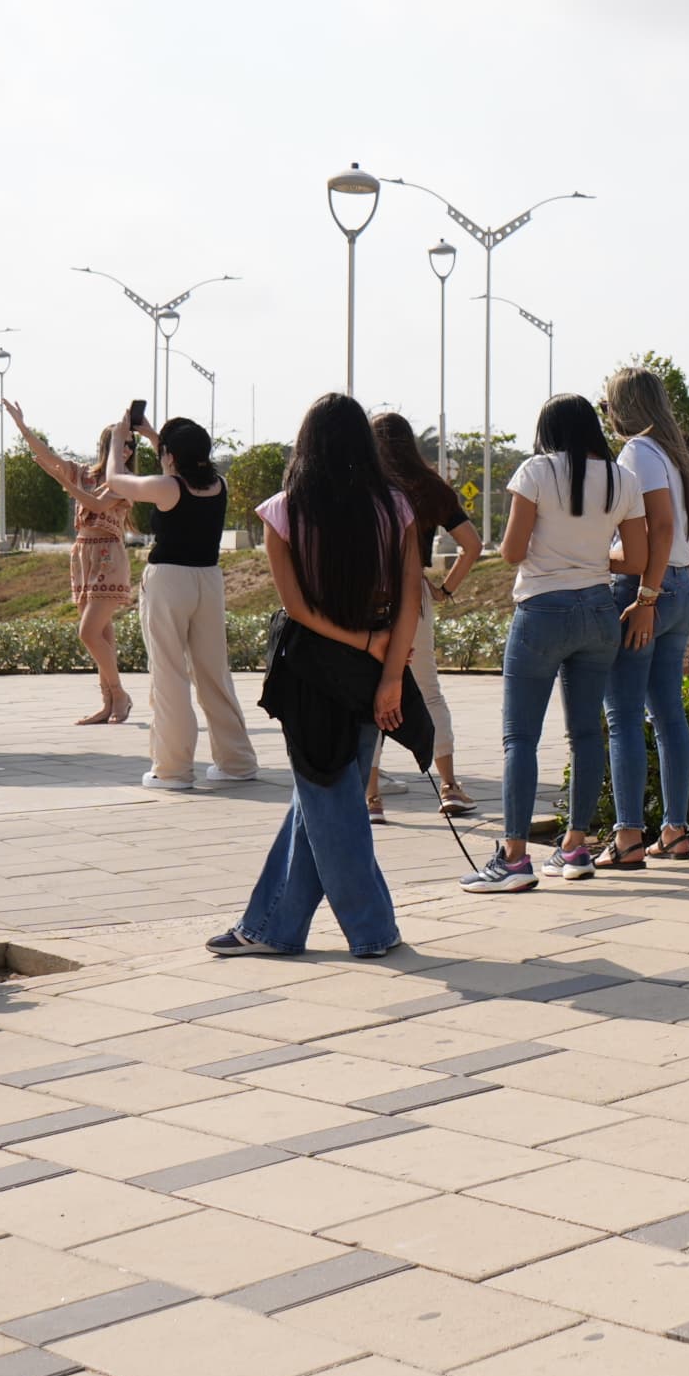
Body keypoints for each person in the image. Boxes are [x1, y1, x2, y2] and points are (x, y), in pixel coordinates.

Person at [212, 394, 412, 958]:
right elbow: (409, 601)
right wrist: (387, 666)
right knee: (322, 798)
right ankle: (271, 925)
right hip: (371, 670)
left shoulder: (285, 511)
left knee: (330, 801)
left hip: (310, 672)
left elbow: (297, 609)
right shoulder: (395, 508)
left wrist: (363, 646)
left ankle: (373, 929)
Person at [461, 395, 642, 893]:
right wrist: (590, 559)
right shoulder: (621, 477)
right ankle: (575, 847)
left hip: (542, 609)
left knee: (520, 737)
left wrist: (553, 555)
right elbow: (638, 556)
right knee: (587, 734)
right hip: (599, 611)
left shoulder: (536, 471)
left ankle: (514, 858)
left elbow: (513, 552)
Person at [592, 364, 689, 870]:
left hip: (651, 590)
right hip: (680, 587)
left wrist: (645, 597)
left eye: (608, 401)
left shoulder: (637, 452)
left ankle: (628, 838)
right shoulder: (671, 454)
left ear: (623, 406)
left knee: (622, 718)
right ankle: (675, 830)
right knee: (667, 715)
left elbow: (658, 528)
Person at [111, 418, 257, 790]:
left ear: (171, 456)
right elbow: (183, 457)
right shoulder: (217, 485)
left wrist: (116, 440)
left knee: (169, 674)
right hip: (208, 580)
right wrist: (150, 435)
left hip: (169, 581)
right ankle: (236, 762)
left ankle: (173, 769)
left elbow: (115, 480)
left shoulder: (167, 487)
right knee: (214, 673)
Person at [4, 398, 135, 726]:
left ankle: (120, 694)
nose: (129, 450)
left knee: (88, 632)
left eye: (133, 445)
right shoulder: (83, 473)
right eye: (124, 443)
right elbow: (48, 456)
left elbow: (94, 504)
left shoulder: (122, 484)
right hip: (82, 555)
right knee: (101, 634)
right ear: (108, 444)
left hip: (107, 557)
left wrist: (63, 483)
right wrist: (22, 426)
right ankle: (107, 703)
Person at [373, 411, 479, 815]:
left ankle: (371, 798)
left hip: (371, 593)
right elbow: (472, 544)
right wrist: (445, 589)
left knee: (370, 690)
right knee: (429, 688)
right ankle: (449, 786)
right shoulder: (430, 487)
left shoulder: (366, 485)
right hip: (414, 592)